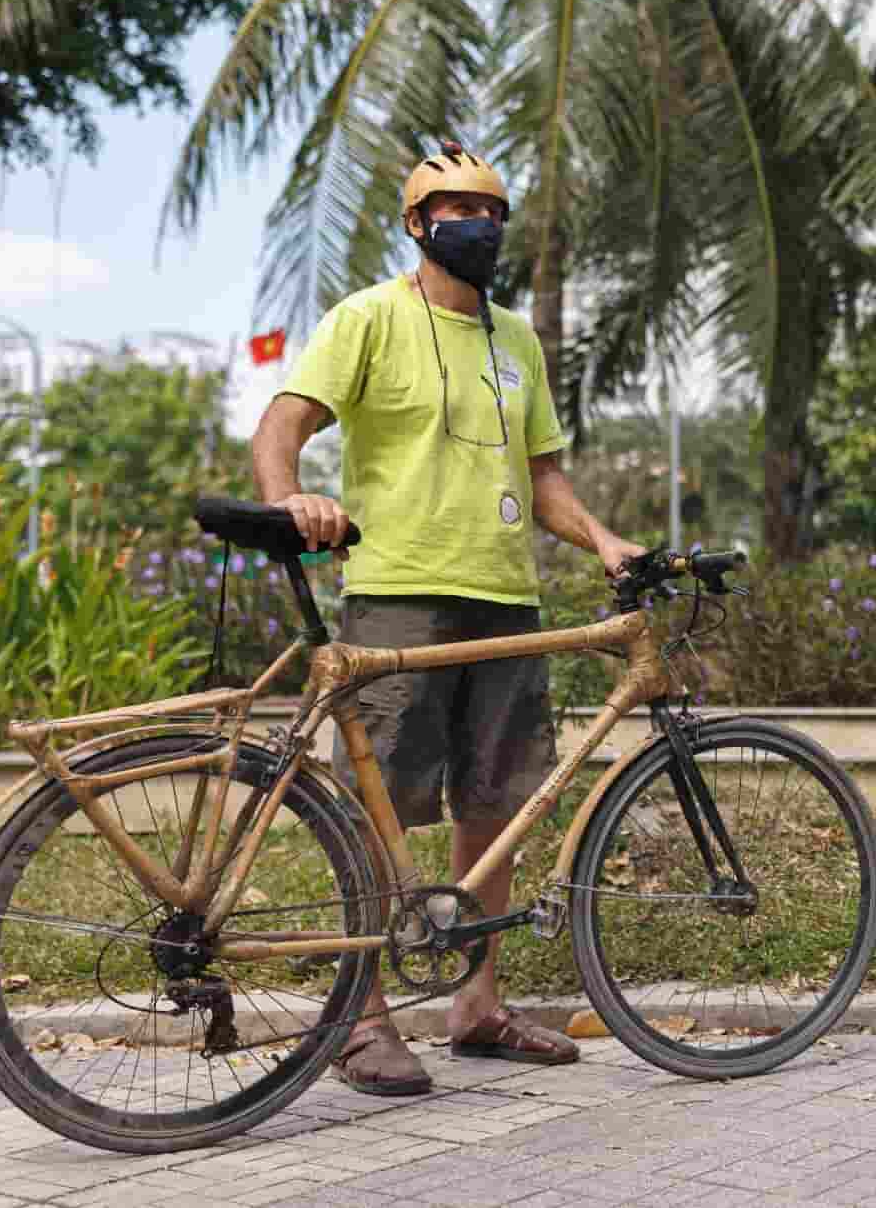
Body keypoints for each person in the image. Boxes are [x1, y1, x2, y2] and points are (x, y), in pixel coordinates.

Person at [250, 141, 644, 1096]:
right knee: (377, 814)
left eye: (494, 211)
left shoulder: (519, 342)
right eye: (458, 210)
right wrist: (289, 501)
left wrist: (601, 540)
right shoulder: (369, 318)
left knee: (492, 805)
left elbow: (542, 477)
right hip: (399, 594)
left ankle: (476, 1007)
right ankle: (366, 1017)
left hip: (506, 597)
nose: (480, 226)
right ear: (418, 224)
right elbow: (282, 424)